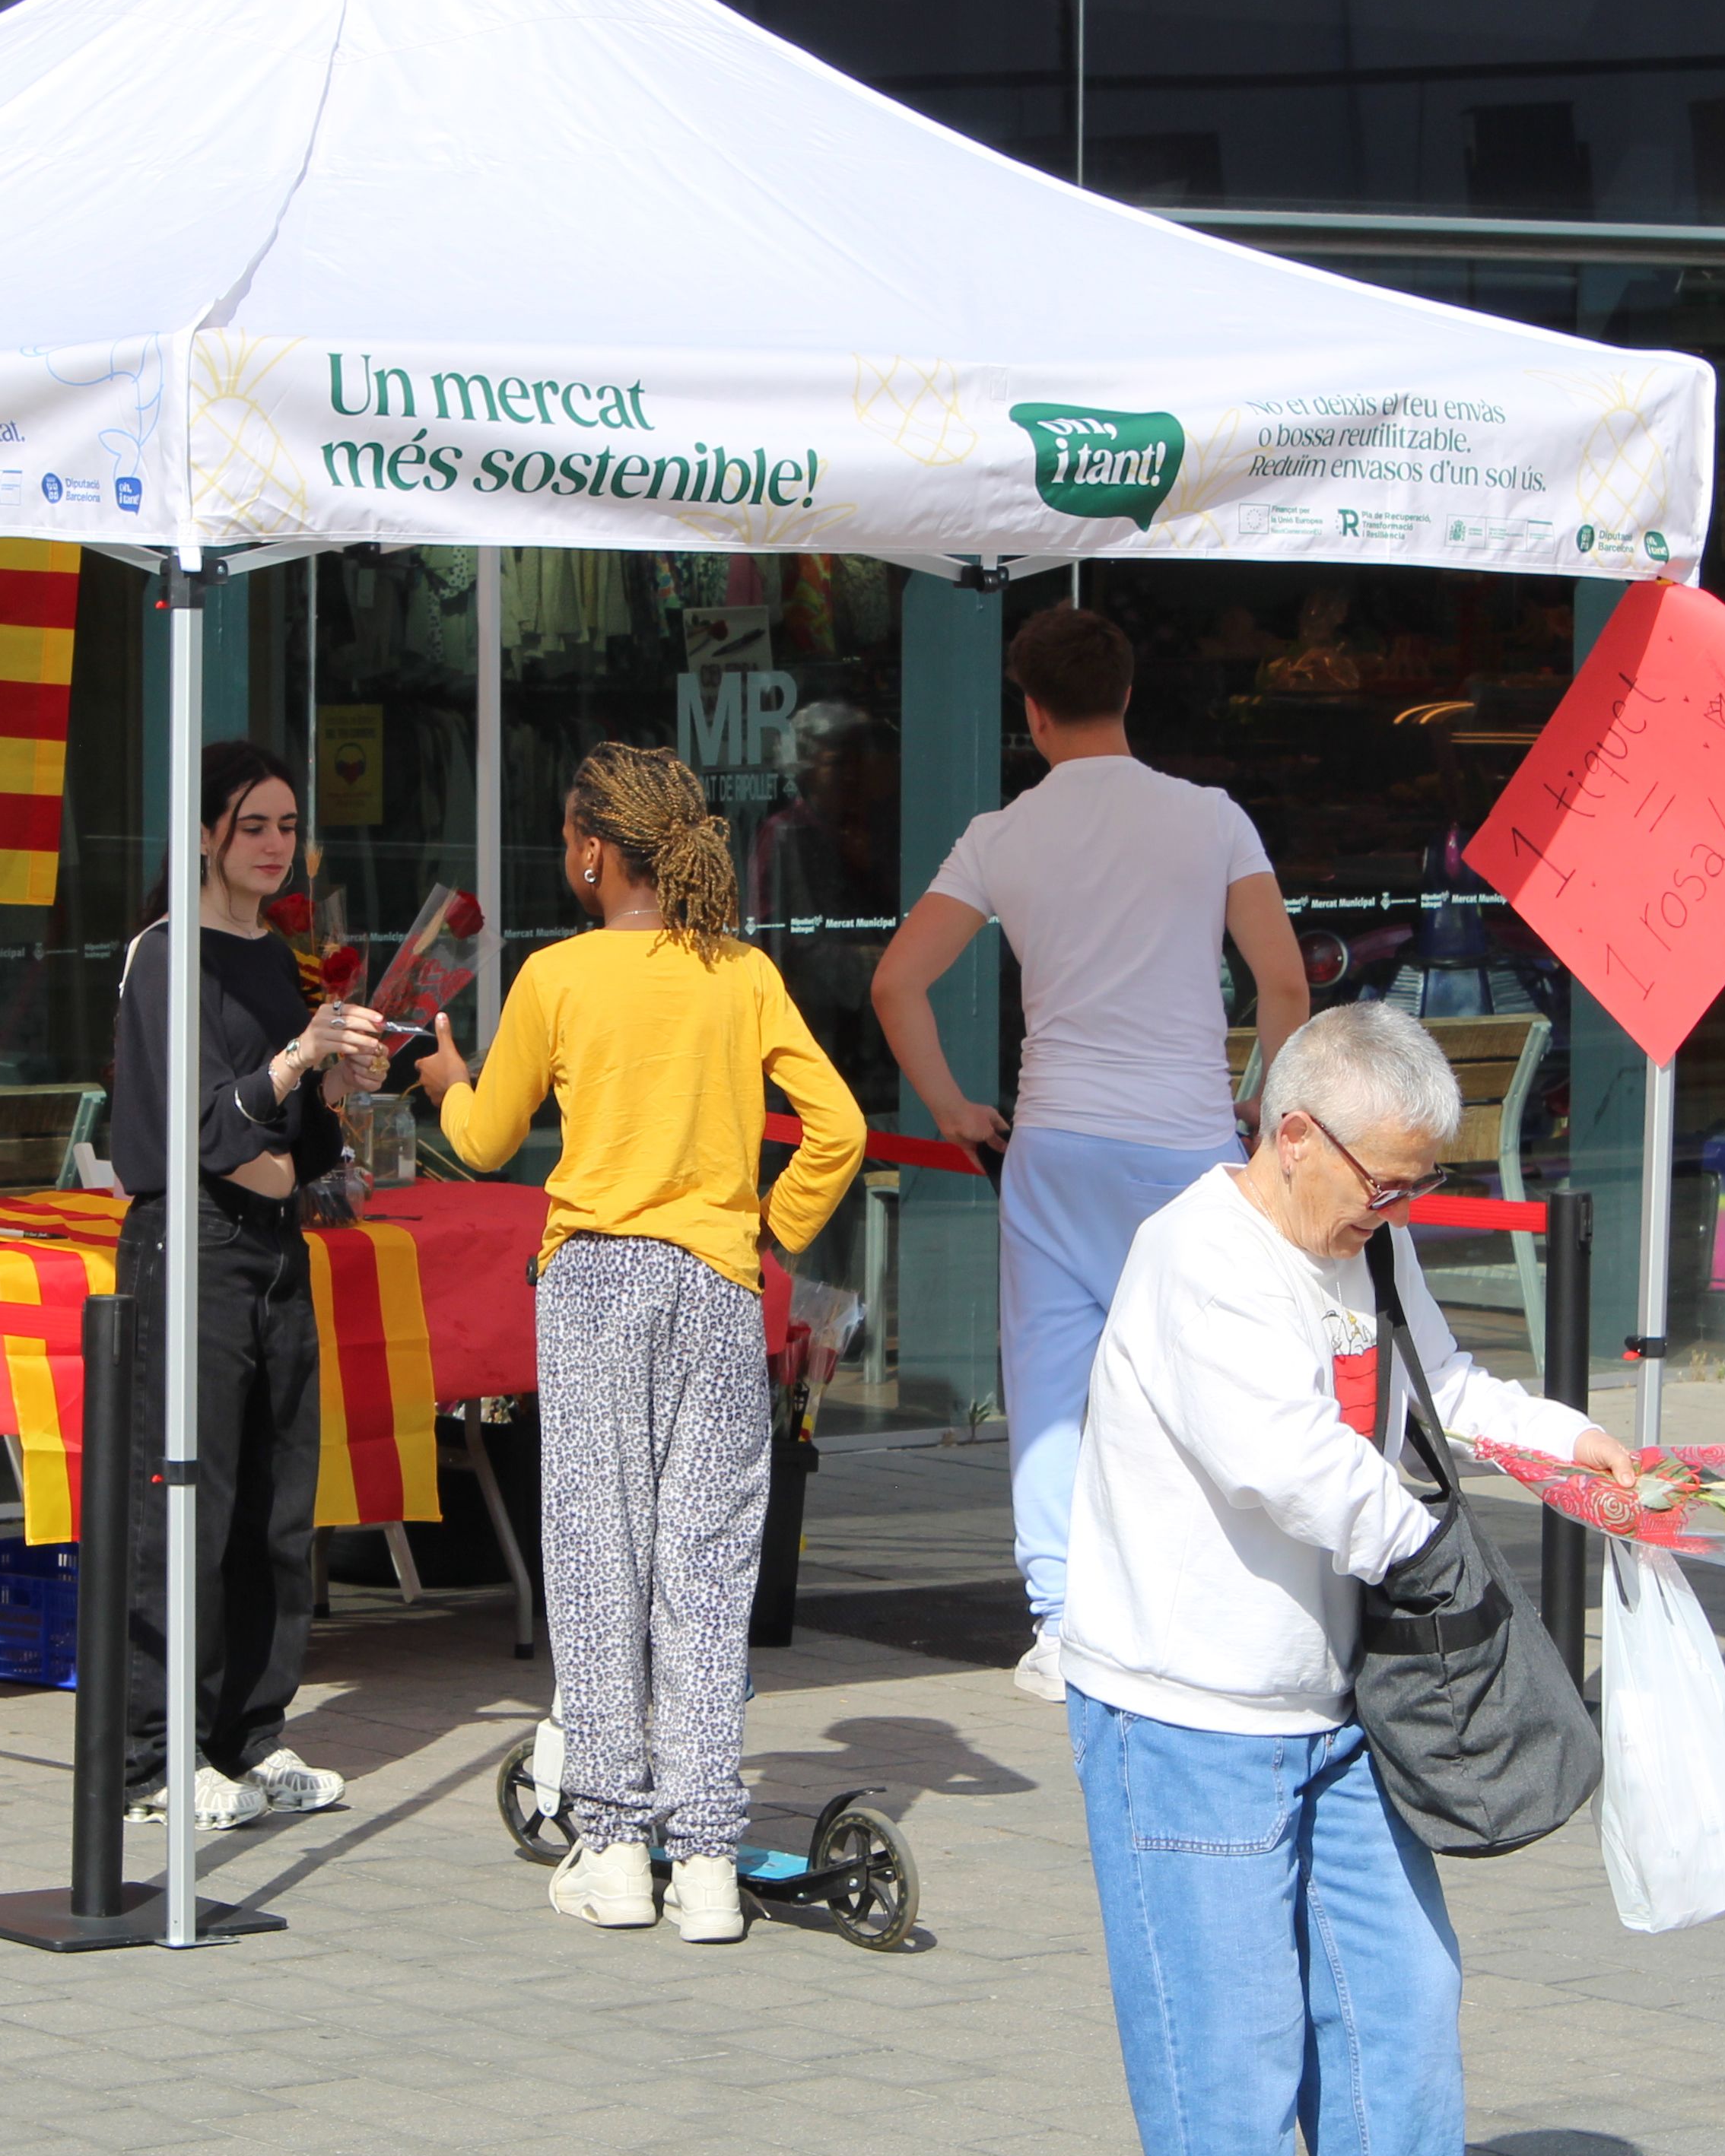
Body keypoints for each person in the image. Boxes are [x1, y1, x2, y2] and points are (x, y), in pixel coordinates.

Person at [1063, 1004, 1646, 2156]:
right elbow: (1284, 1461)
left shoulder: (1363, 1247)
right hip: (1186, 1710)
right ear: (1290, 1131)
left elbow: (1433, 1392)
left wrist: (1567, 1447)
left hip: (1340, 1703)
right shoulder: (1194, 1258)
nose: (1397, 1207)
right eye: (1385, 1178)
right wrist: (1446, 1562)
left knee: (1396, 2001)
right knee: (1224, 2042)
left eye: (1421, 1182)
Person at [416, 741, 866, 1945]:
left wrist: (447, 1076)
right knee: (709, 1574)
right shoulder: (743, 973)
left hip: (597, 1285)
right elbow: (841, 1126)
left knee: (596, 1556)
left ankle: (616, 1849)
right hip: (719, 1287)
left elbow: (484, 1137)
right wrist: (770, 1230)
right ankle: (709, 1866)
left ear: (591, 851)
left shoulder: (557, 979)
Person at [871, 603, 1310, 1705]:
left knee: (1055, 1384)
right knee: (1206, 1375)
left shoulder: (1001, 834)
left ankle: (1063, 1625)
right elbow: (1287, 985)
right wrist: (1262, 1100)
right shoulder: (1211, 818)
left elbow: (896, 983)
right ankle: (1213, 1604)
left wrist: (954, 1105)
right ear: (1127, 696)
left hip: (1056, 1138)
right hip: (1194, 1143)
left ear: (1030, 712)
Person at [106, 741, 388, 1833]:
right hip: (192, 1244)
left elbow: (300, 1143)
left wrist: (344, 1078)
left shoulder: (280, 959)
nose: (274, 846)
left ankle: (249, 1734)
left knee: (277, 1508)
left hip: (274, 1246)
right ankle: (150, 1756)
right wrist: (288, 1064)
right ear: (208, 835)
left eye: (286, 826)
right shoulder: (166, 955)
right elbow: (197, 1133)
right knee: (185, 1499)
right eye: (254, 825)